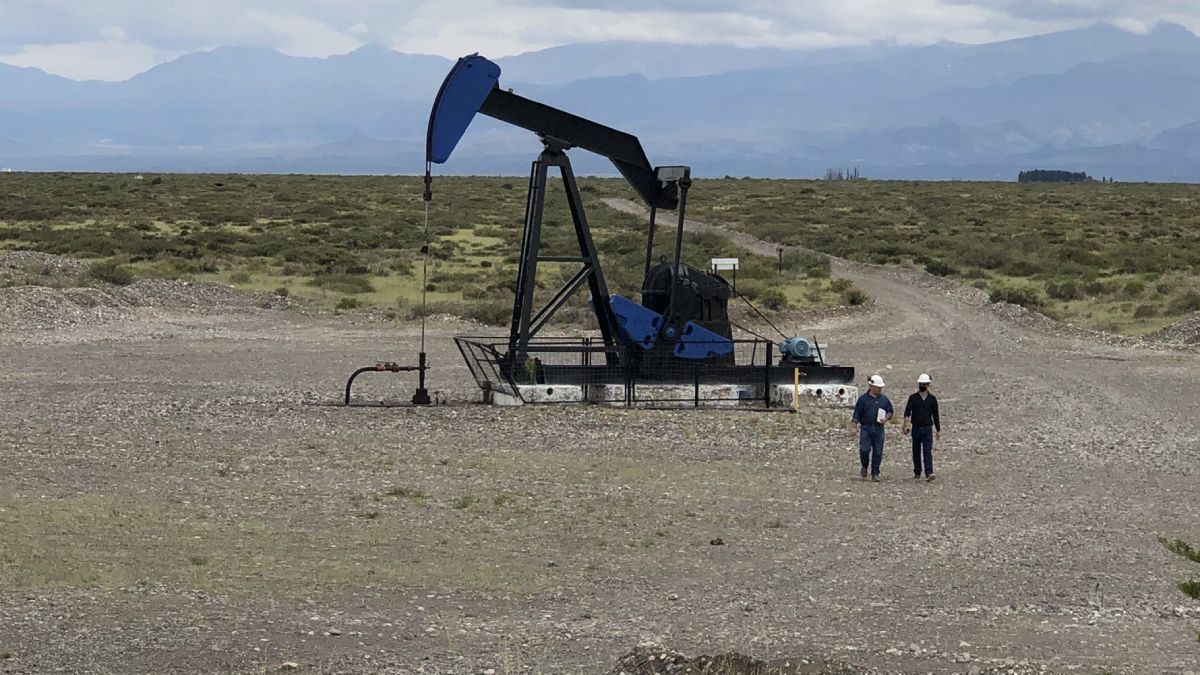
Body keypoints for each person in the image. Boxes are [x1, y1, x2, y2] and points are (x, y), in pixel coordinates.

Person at [850, 374, 893, 482]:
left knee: (878, 451)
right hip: (866, 428)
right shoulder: (863, 399)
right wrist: (854, 427)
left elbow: (890, 410)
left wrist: (886, 418)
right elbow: (856, 414)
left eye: (880, 388)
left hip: (879, 428)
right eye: (878, 387)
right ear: (871, 386)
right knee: (864, 449)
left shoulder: (884, 399)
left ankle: (875, 473)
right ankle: (864, 466)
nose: (880, 389)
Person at [902, 373, 942, 482]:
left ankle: (929, 472)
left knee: (927, 451)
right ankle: (917, 472)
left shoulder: (932, 399)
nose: (922, 386)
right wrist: (906, 425)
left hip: (927, 428)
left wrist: (938, 429)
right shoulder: (913, 398)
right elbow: (907, 412)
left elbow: (936, 415)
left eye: (924, 384)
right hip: (916, 428)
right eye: (921, 384)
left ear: (928, 385)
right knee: (916, 450)